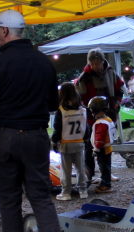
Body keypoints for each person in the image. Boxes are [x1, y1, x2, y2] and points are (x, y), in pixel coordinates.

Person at [0, 9, 81, 232]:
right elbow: (52, 103)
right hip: (35, 135)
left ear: (4, 31)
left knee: (8, 201)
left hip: (4, 135)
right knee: (41, 199)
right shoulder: (44, 63)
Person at [75, 48, 124, 183]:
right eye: (92, 64)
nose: (95, 66)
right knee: (90, 146)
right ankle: (88, 175)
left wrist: (117, 103)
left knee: (106, 145)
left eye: (97, 63)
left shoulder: (111, 73)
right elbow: (79, 96)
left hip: (109, 114)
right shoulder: (85, 77)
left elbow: (119, 89)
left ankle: (106, 174)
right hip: (91, 117)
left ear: (103, 61)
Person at [51, 83, 88, 201]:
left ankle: (66, 192)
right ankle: (83, 190)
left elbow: (57, 128)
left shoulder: (61, 110)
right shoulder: (82, 109)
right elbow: (86, 127)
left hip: (66, 143)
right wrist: (85, 139)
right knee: (80, 168)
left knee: (66, 170)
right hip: (79, 142)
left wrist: (54, 141)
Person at [89, 96, 116, 193]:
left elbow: (99, 139)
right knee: (106, 167)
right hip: (108, 148)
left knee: (104, 168)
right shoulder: (108, 119)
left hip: (102, 149)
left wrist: (96, 149)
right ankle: (105, 182)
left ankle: (105, 185)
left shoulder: (100, 123)